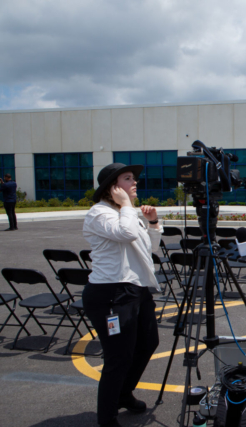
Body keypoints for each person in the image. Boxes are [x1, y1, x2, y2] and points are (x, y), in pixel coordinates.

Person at [82, 163, 163, 427]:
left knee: (148, 342)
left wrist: (152, 223)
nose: (135, 182)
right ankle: (107, 418)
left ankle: (123, 393)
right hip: (110, 294)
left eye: (135, 178)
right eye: (128, 178)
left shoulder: (128, 213)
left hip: (136, 290)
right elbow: (125, 233)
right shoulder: (100, 213)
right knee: (118, 357)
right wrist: (127, 206)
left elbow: (149, 249)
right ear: (112, 187)